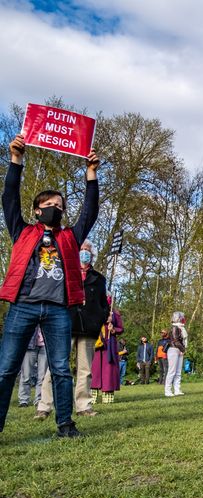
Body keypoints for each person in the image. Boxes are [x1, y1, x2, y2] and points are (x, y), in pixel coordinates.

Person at [0, 133, 99, 437]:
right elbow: (9, 199)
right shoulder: (23, 231)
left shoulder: (70, 237)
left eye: (59, 204)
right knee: (6, 369)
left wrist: (91, 175)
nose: (54, 207)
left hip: (58, 310)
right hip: (24, 306)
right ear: (37, 209)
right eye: (48, 204)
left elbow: (89, 212)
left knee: (60, 369)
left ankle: (66, 425)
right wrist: (16, 160)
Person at [38, 239, 109, 419]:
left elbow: (103, 303)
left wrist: (100, 317)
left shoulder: (99, 279)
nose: (84, 252)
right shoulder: (64, 273)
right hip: (64, 324)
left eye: (87, 250)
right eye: (82, 249)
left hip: (88, 328)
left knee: (85, 369)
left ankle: (83, 405)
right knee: (55, 367)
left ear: (91, 255)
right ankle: (44, 406)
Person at [91, 305, 123, 404]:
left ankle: (107, 397)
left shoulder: (114, 314)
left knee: (108, 371)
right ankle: (91, 397)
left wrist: (113, 329)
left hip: (109, 345)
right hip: (96, 344)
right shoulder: (94, 309)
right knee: (94, 371)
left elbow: (120, 328)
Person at [18, 328, 47, 408]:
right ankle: (23, 400)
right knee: (26, 375)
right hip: (30, 345)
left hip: (46, 345)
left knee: (42, 377)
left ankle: (39, 400)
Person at [164, 311, 188, 397]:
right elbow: (175, 340)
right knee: (172, 371)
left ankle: (177, 389)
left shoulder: (181, 328)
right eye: (182, 317)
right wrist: (183, 349)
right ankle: (168, 390)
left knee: (178, 372)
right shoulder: (174, 327)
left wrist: (182, 350)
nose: (183, 319)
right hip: (173, 349)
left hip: (179, 350)